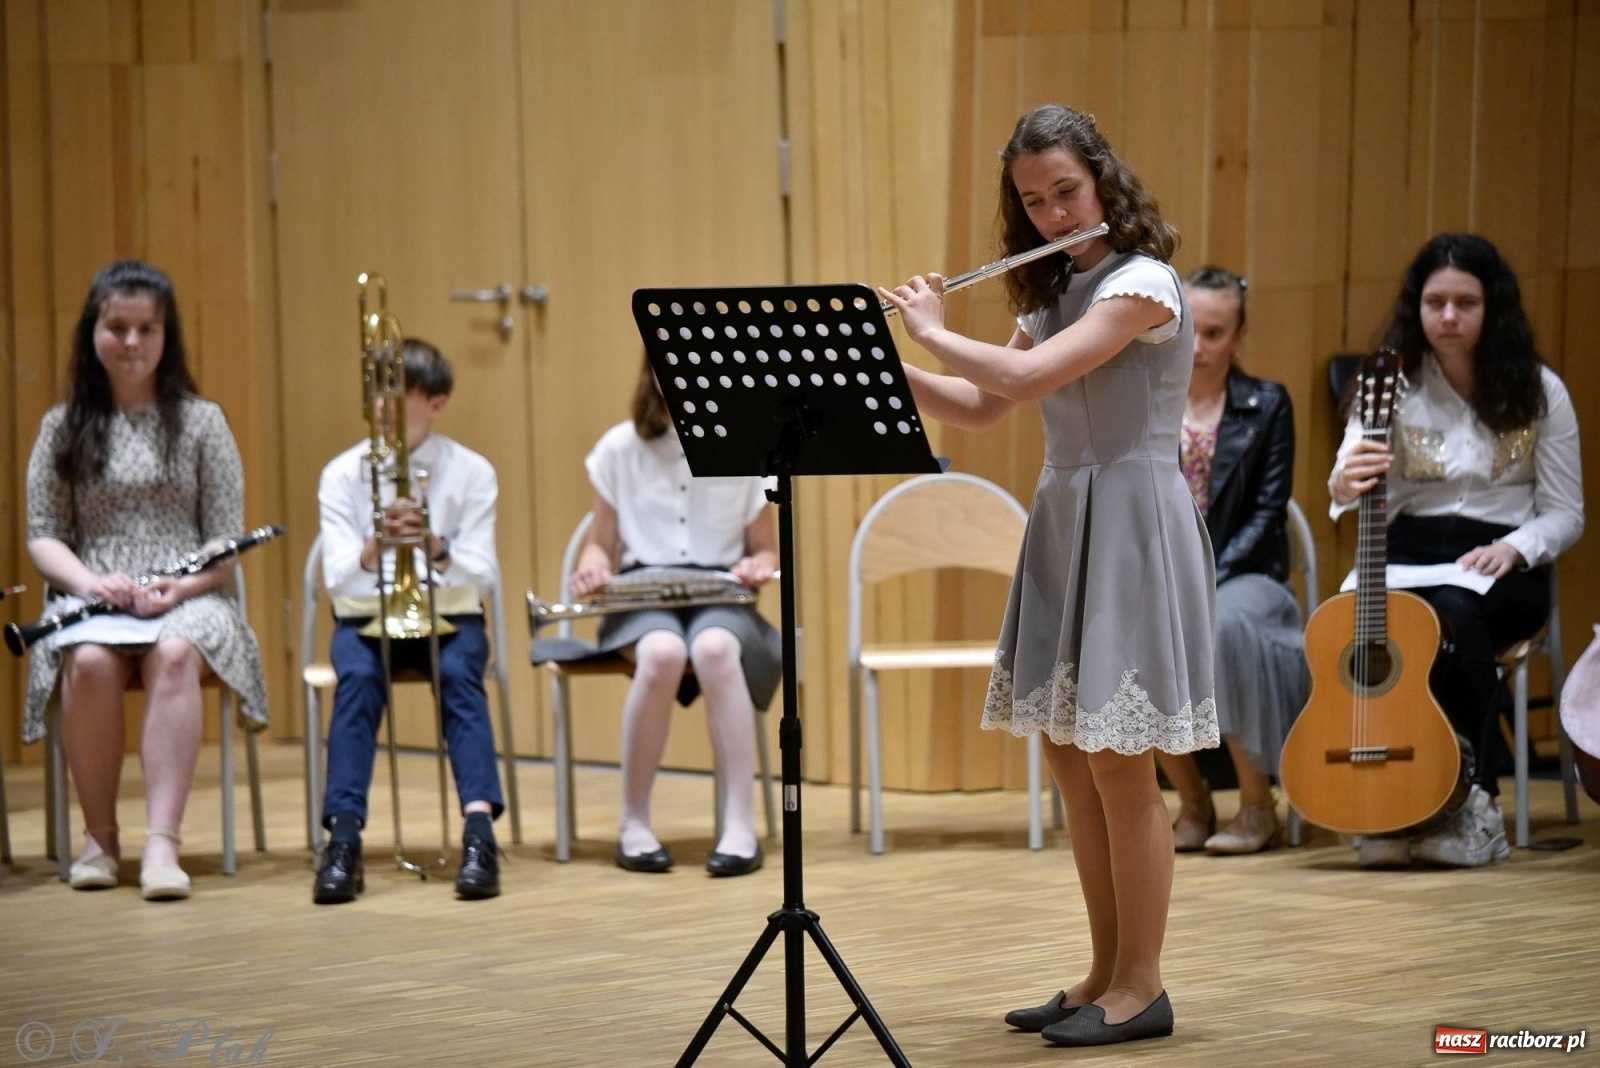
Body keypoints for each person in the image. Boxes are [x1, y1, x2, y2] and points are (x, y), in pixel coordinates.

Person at [880, 103, 1216, 1048]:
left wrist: (937, 329)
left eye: (1066, 192)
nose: (1054, 215)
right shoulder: (1054, 291)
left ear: (1103, 179)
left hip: (1133, 521)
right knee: (1072, 756)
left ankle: (1143, 985)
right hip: (1069, 518)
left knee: (1120, 762)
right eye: (1034, 202)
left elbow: (1027, 383)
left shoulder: (1143, 284)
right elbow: (981, 410)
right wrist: (896, 359)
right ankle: (1104, 972)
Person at [1329, 232, 1582, 868]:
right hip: (1406, 551)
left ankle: (1473, 803)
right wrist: (1346, 480)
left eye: (1464, 303)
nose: (1448, 317)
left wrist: (1519, 547)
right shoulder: (1388, 383)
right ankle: (1390, 799)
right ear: (1416, 307)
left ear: (1491, 308)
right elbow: (1343, 488)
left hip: (1500, 558)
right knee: (1372, 628)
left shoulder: (1539, 390)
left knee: (1454, 618)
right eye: (1435, 301)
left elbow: (1565, 511)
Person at [22, 259, 268, 902]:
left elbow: (224, 538)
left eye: (146, 329)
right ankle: (100, 840)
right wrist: (91, 583)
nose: (131, 343)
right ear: (93, 332)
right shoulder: (61, 425)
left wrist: (178, 589)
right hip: (93, 592)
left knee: (176, 649)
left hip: (186, 595)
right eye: (117, 327)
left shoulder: (202, 422)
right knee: (91, 661)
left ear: (166, 336)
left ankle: (163, 843)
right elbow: (43, 533)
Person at [569, 353, 780, 877]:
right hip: (644, 592)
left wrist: (759, 565)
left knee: (714, 649)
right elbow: (600, 545)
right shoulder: (621, 447)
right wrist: (590, 571)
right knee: (662, 654)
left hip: (720, 591)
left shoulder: (747, 441)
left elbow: (767, 550)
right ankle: (634, 822)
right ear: (652, 374)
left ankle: (738, 823)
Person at [313, 338, 505, 903]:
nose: (381, 408)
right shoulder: (343, 474)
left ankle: (479, 832)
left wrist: (436, 545)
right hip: (368, 615)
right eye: (376, 394)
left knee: (460, 679)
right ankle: (343, 838)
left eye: (398, 397)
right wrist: (374, 548)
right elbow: (337, 581)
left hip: (448, 613)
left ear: (437, 404)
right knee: (358, 682)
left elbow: (485, 578)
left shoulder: (472, 471)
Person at [1154, 266, 1309, 855]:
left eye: (1215, 333)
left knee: (1223, 624)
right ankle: (1193, 803)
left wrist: (1204, 578)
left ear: (1239, 338)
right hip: (1164, 575)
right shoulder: (1146, 401)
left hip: (1246, 578)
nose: (1198, 347)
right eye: (1189, 329)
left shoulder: (1267, 404)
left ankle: (1255, 806)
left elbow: (1268, 515)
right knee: (1130, 631)